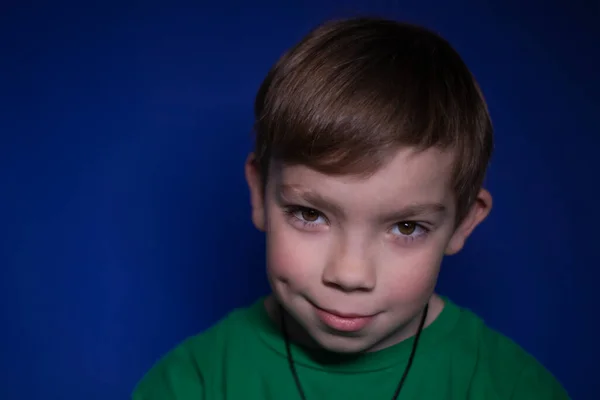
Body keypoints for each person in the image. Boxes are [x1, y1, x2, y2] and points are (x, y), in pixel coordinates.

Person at [132, 17, 570, 399]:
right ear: (259, 193)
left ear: (462, 223)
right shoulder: (192, 384)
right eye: (309, 214)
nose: (349, 275)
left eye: (406, 226)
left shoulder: (512, 388)